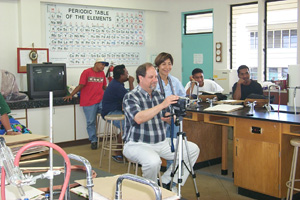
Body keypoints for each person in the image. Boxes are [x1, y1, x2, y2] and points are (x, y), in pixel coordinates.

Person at [122, 63, 200, 192]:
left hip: (161, 142)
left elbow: (169, 117)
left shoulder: (158, 95)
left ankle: (168, 182)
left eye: (156, 77)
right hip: (137, 144)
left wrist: (171, 119)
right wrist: (162, 105)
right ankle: (150, 191)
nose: (155, 80)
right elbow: (139, 118)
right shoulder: (131, 96)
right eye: (151, 77)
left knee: (192, 149)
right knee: (153, 162)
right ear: (140, 78)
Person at [63, 57, 108, 150]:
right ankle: (93, 140)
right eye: (102, 64)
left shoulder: (102, 73)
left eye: (104, 65)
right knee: (90, 122)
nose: (103, 67)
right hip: (89, 101)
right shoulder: (86, 72)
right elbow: (80, 85)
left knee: (109, 115)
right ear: (96, 63)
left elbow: (104, 87)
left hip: (100, 100)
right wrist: (71, 94)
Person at [101, 64, 134, 162]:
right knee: (128, 126)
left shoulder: (116, 83)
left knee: (129, 125)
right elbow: (131, 99)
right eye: (126, 73)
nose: (128, 75)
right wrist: (131, 83)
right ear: (121, 76)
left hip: (115, 111)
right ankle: (118, 153)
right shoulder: (117, 86)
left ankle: (122, 151)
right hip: (111, 112)